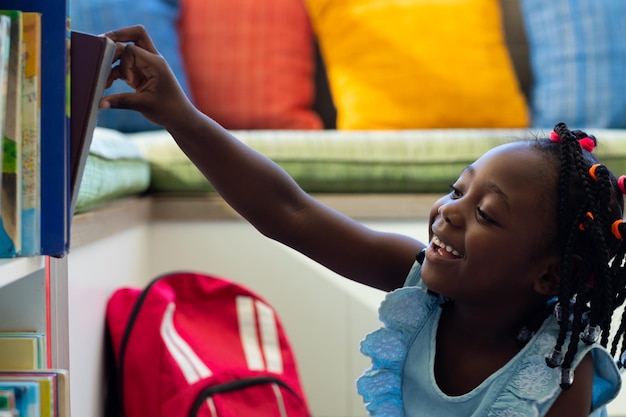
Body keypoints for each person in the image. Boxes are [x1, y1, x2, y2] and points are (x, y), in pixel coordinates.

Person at [100, 25, 626, 417]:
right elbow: (289, 212)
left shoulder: (557, 376)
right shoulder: (420, 288)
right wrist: (179, 115)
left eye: (486, 215)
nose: (448, 213)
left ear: (549, 276)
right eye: (456, 190)